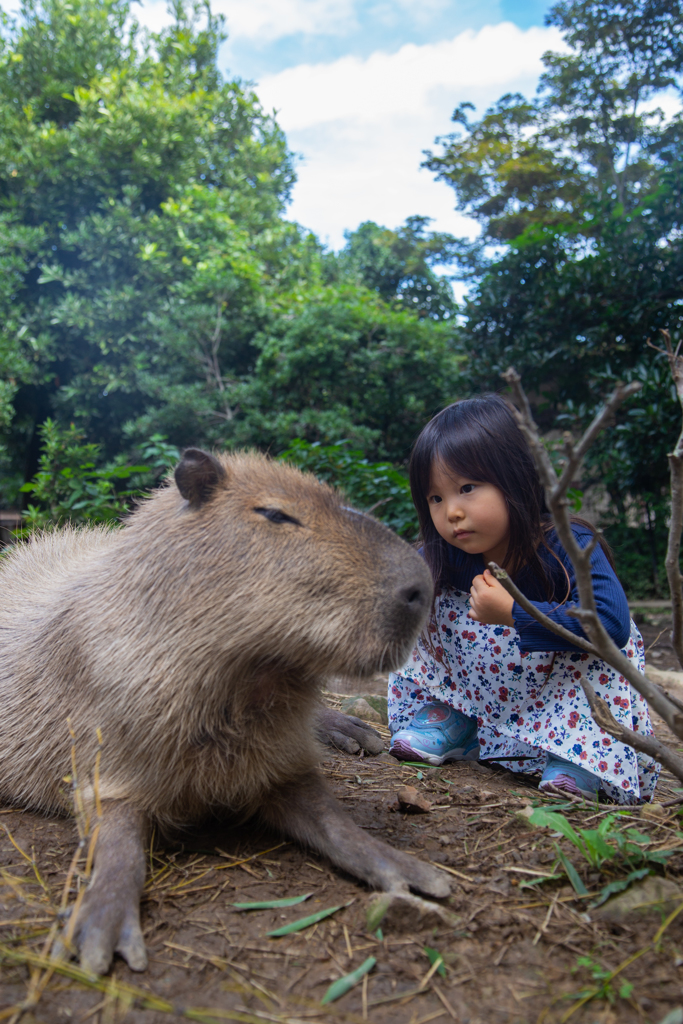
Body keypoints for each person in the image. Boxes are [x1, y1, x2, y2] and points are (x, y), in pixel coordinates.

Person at [388, 395, 659, 804]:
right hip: (482, 685)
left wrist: (515, 613)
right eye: (436, 498)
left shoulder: (566, 546)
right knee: (419, 597)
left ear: (516, 478)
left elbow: (611, 624)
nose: (452, 513)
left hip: (563, 688)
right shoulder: (443, 554)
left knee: (603, 652)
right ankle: (453, 718)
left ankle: (579, 754)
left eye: (466, 488)